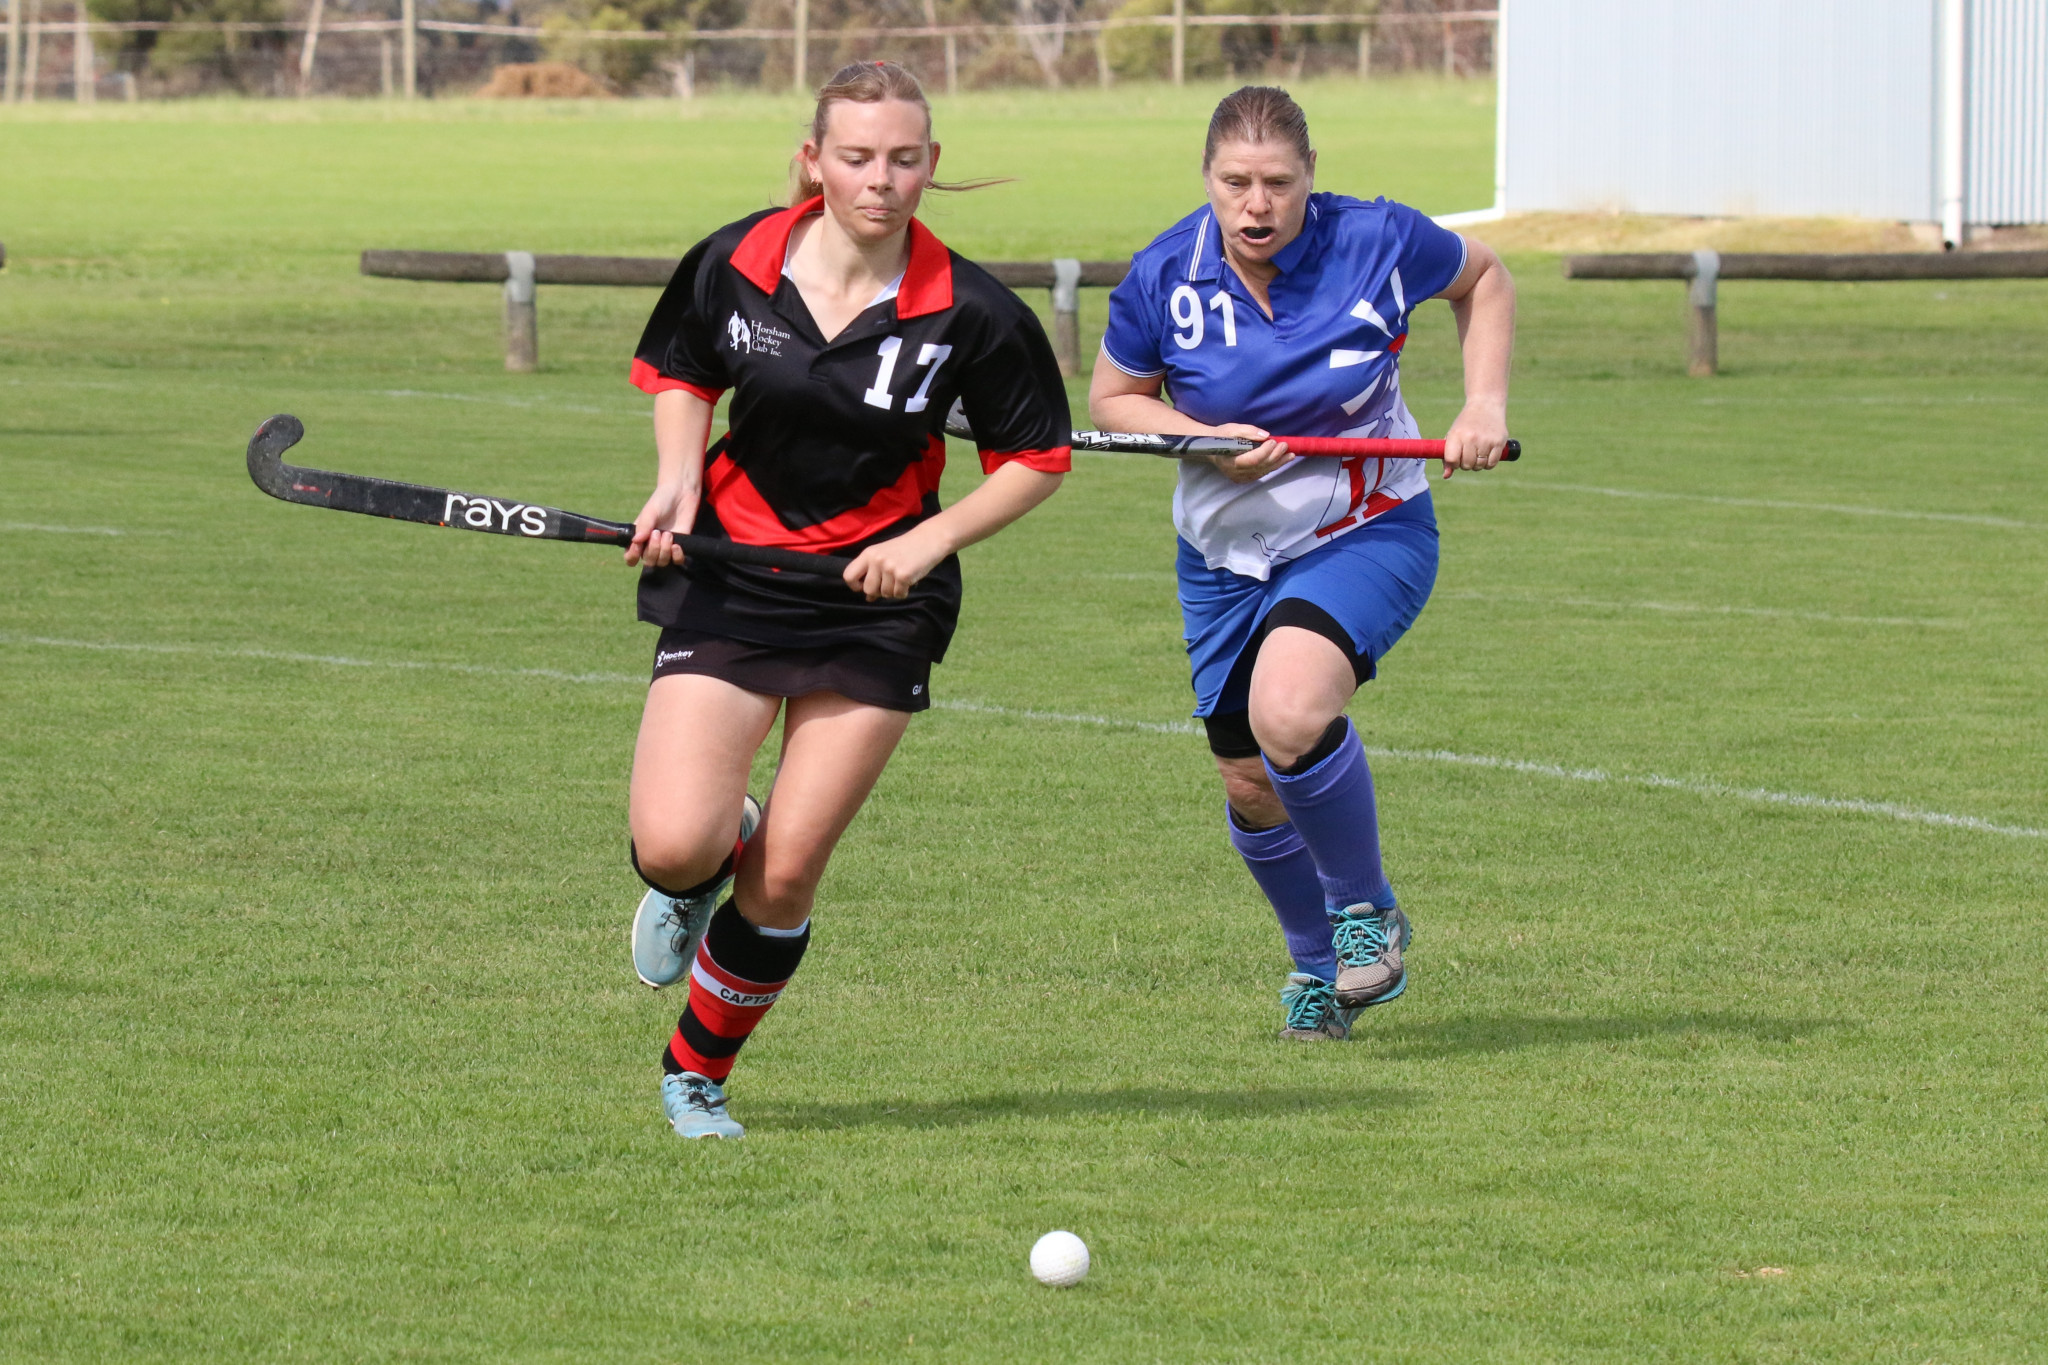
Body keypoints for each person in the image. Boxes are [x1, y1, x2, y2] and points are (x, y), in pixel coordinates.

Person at [623, 60, 1071, 1137]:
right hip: (730, 572)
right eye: (858, 158)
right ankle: (699, 857)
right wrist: (677, 479)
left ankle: (696, 1076)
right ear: (811, 160)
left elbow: (1036, 459)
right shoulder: (736, 259)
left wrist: (928, 541)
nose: (882, 181)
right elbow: (683, 368)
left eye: (905, 159)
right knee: (677, 846)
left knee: (782, 876)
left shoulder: (971, 310)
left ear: (930, 165)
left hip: (878, 600)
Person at [1089, 86, 1515, 1041]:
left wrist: (1482, 404)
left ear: (1309, 180)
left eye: (1278, 183)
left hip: (1365, 528)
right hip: (1221, 554)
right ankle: (1317, 966)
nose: (1256, 205)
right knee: (1247, 777)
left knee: (1289, 709)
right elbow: (1117, 399)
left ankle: (1366, 913)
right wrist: (1199, 436)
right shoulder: (1164, 273)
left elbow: (1484, 279)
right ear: (1207, 180)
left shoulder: (1378, 240)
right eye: (1235, 183)